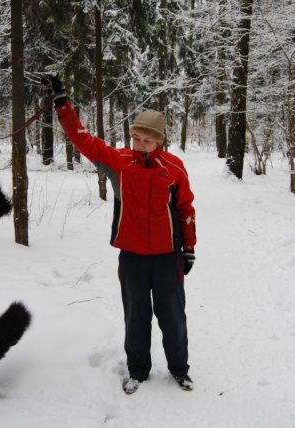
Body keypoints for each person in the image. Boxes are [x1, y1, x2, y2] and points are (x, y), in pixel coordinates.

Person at [43, 75, 197, 394]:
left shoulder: (174, 168)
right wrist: (63, 104)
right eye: (136, 138)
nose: (140, 145)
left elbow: (186, 209)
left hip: (168, 257)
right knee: (136, 316)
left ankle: (179, 369)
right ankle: (138, 370)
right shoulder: (120, 163)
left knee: (172, 316)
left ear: (159, 142)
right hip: (133, 256)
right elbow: (84, 140)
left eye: (147, 140)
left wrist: (189, 248)